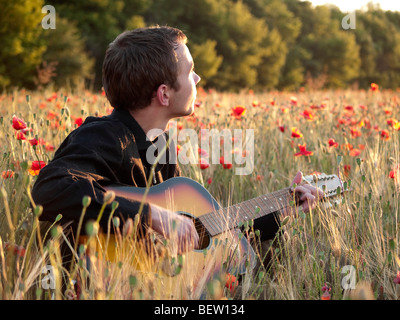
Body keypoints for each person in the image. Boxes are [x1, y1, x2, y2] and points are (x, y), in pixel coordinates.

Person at [31, 25, 322, 265]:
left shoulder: (162, 147)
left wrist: (283, 209)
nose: (197, 78)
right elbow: (50, 188)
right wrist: (150, 215)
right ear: (164, 94)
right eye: (190, 71)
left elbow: (201, 228)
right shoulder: (103, 136)